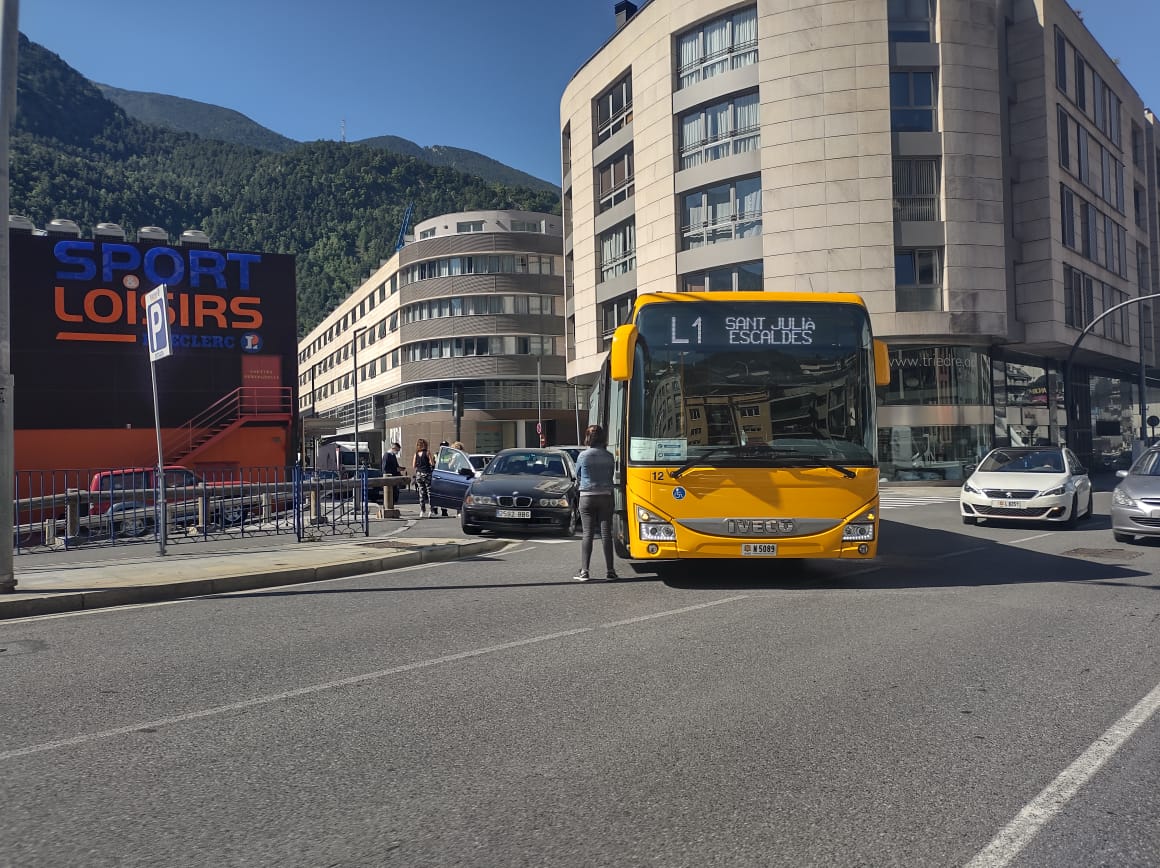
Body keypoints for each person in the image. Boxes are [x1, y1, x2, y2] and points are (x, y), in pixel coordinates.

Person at [574, 424, 617, 581]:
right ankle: (610, 571)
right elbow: (610, 474)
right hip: (605, 495)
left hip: (587, 496)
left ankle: (585, 571)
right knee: (606, 534)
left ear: (587, 437)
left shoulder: (583, 456)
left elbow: (577, 474)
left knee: (587, 533)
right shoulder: (609, 456)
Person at [413, 438, 434, 518]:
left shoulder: (416, 454)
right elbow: (431, 463)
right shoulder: (427, 453)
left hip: (419, 474)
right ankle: (431, 510)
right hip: (427, 473)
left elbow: (413, 465)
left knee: (421, 493)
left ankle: (422, 510)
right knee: (429, 492)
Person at [436, 441, 451, 516]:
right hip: (437, 476)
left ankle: (444, 510)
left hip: (446, 476)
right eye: (442, 446)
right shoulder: (437, 454)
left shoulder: (450, 455)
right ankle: (435, 508)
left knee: (444, 494)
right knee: (436, 494)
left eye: (445, 446)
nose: (444, 447)